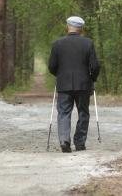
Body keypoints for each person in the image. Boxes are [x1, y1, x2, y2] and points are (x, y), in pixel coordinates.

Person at [48, 16, 100, 153]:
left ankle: (64, 140)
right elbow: (95, 66)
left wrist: (60, 75)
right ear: (81, 29)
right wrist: (92, 78)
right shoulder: (88, 43)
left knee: (64, 112)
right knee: (83, 112)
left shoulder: (57, 44)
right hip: (83, 84)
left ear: (68, 27)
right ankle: (80, 142)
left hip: (64, 84)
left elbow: (52, 66)